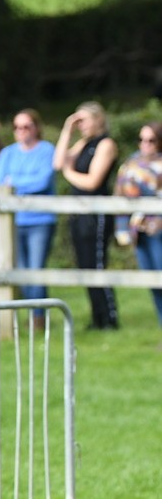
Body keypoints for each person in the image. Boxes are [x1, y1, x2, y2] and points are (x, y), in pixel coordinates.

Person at [54, 102, 120, 329]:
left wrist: (68, 173)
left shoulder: (106, 144)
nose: (81, 125)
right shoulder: (83, 143)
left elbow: (92, 182)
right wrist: (67, 130)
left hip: (97, 214)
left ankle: (109, 318)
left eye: (84, 120)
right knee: (85, 265)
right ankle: (97, 318)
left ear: (98, 119)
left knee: (97, 265)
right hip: (79, 213)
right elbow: (58, 162)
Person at [0, 109, 56, 329]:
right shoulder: (8, 153)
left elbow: (43, 181)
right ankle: (32, 314)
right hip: (13, 221)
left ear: (36, 127)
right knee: (20, 271)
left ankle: (38, 318)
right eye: (17, 127)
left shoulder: (47, 150)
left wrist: (16, 184)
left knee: (35, 270)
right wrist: (21, 185)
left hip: (40, 220)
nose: (21, 131)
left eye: (26, 126)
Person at [115, 121, 162, 327]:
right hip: (138, 230)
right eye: (142, 140)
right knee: (151, 282)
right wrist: (122, 228)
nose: (145, 144)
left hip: (158, 229)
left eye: (151, 140)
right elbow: (119, 196)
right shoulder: (129, 164)